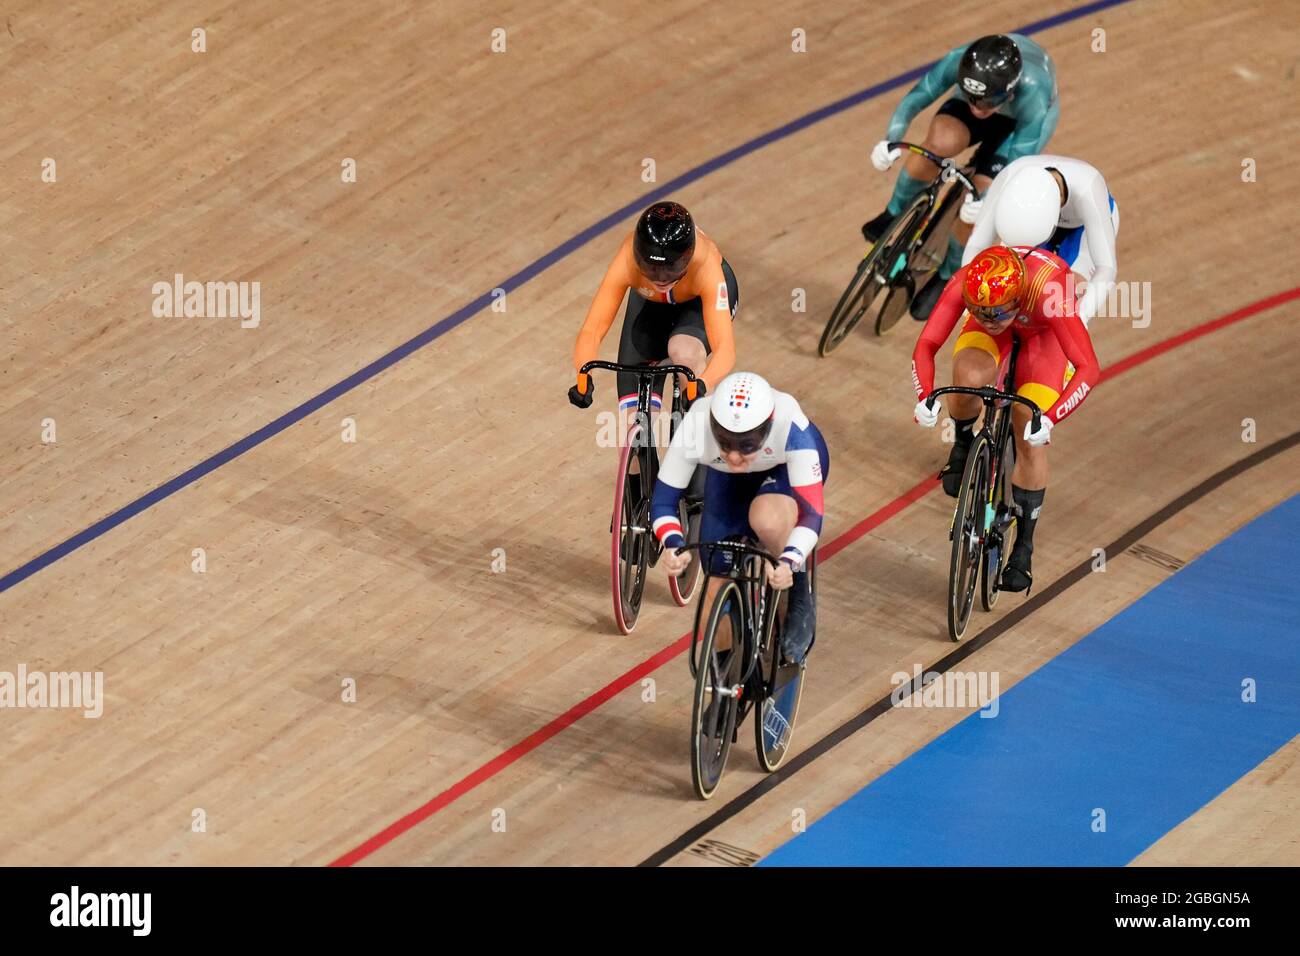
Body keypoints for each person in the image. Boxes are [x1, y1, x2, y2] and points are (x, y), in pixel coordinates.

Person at [911, 245, 1100, 592]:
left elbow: (1089, 368)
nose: (987, 320)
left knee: (1028, 421)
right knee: (967, 378)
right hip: (1006, 327)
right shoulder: (967, 283)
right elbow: (927, 344)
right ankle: (963, 445)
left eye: (994, 314)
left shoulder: (1049, 292)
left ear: (1016, 300)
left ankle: (1024, 546)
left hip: (1044, 337)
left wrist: (1052, 418)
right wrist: (924, 395)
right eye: (978, 312)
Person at [863, 34, 1059, 321]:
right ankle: (892, 212)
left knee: (978, 199)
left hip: (1018, 127)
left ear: (1009, 91)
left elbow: (1018, 164)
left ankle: (947, 276)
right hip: (990, 95)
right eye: (972, 98)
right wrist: (890, 141)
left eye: (987, 103)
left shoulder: (1034, 94)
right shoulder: (961, 61)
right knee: (936, 145)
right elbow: (918, 97)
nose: (978, 109)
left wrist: (988, 200)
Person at [652, 372, 828, 664]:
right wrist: (672, 543)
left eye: (746, 445)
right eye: (724, 442)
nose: (734, 456)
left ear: (767, 427)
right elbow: (663, 502)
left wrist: (790, 559)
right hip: (728, 481)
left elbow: (811, 514)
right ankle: (723, 687)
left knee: (767, 520)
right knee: (714, 580)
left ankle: (797, 589)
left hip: (782, 470)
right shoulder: (695, 425)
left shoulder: (791, 428)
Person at [569, 201, 738, 421]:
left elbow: (725, 348)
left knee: (683, 352)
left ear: (688, 257)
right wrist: (584, 376)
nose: (661, 277)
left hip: (695, 303)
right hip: (650, 303)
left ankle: (705, 438)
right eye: (650, 267)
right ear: (637, 255)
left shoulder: (706, 266)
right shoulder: (627, 260)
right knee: (634, 421)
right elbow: (592, 330)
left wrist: (702, 384)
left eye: (672, 267)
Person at [963, 154, 1119, 326]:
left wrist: (1082, 315)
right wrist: (969, 294)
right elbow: (977, 244)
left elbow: (1106, 268)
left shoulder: (1089, 189)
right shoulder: (1008, 178)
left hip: (1082, 230)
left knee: (1069, 293)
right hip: (1030, 226)